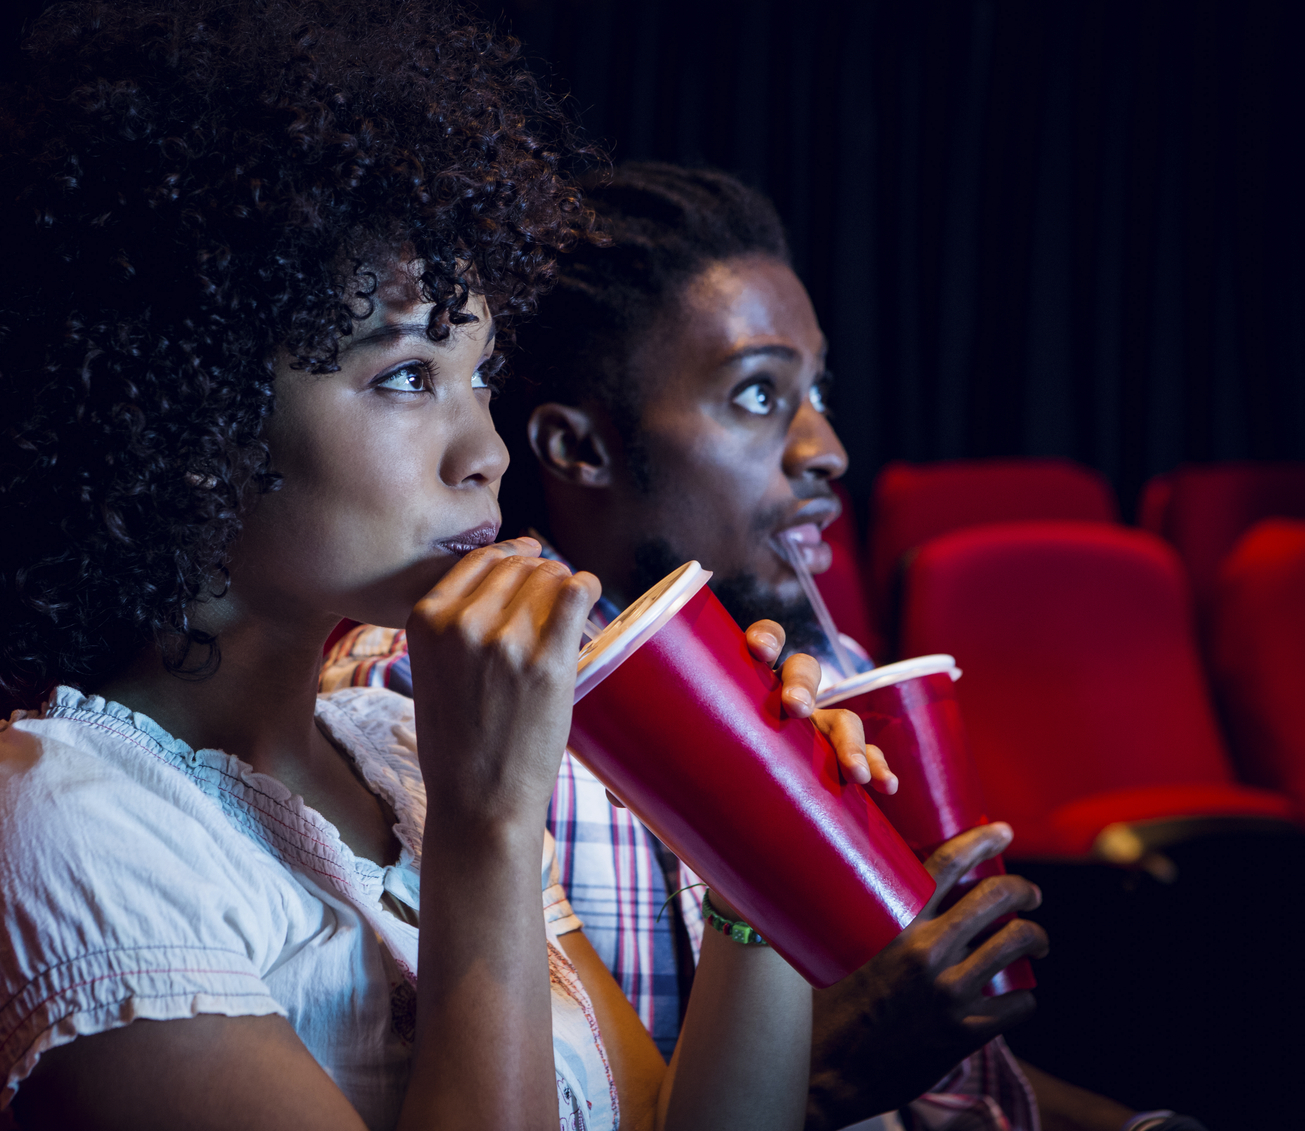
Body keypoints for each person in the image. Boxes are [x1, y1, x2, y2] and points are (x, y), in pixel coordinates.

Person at [0, 9, 900, 1131]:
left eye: (478, 378)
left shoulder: (394, 752)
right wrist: (485, 828)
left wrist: (749, 868)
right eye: (408, 376)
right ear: (187, 414)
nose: (486, 454)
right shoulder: (63, 836)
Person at [323, 164, 1202, 1131]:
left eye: (817, 391)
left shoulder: (824, 670)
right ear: (580, 449)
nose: (824, 447)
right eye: (756, 396)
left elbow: (965, 1089)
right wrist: (839, 1057)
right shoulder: (434, 697)